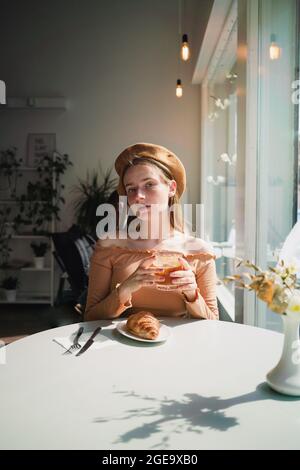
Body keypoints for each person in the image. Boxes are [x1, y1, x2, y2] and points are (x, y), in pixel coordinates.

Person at [84, 143, 219, 320]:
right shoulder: (110, 246)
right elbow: (90, 317)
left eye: (149, 184)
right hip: (119, 345)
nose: (138, 195)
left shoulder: (199, 251)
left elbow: (213, 323)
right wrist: (124, 289)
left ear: (171, 188)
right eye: (131, 189)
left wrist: (192, 294)